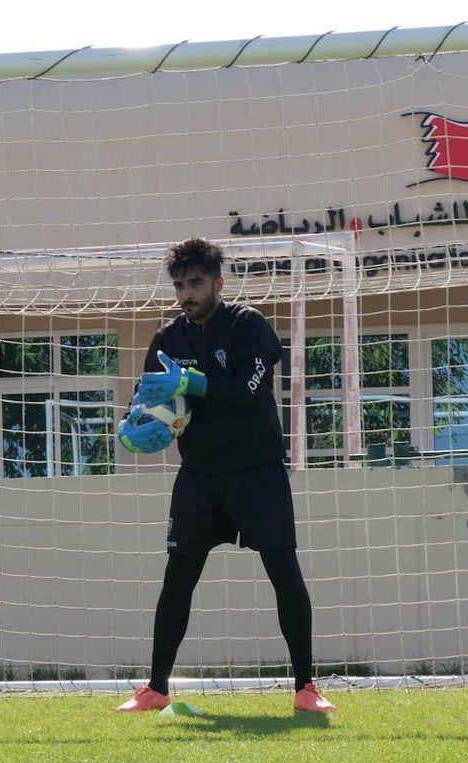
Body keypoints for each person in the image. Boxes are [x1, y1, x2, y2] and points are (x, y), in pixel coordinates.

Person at [115, 238, 335, 713]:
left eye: (195, 283)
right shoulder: (168, 339)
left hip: (258, 473)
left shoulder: (248, 325)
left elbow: (246, 391)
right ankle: (156, 688)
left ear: (218, 282)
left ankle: (305, 689)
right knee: (178, 577)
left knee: (284, 572)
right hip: (200, 476)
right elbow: (149, 396)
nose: (186, 294)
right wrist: (138, 422)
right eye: (179, 285)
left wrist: (191, 383)